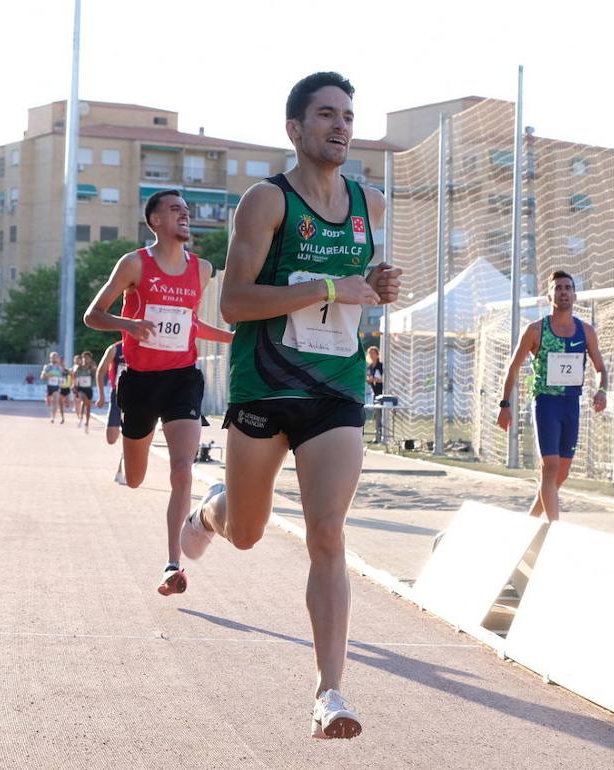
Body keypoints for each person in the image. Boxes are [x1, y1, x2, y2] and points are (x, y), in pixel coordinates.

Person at [177, 73, 402, 739]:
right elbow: (235, 303)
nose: (340, 126)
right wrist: (331, 284)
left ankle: (329, 691)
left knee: (326, 532)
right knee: (246, 531)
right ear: (295, 130)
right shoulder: (265, 202)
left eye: (348, 116)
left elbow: (361, 287)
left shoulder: (372, 204)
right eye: (326, 115)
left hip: (335, 388)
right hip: (266, 386)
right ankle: (211, 513)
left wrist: (374, 287)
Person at [83, 188, 234, 597]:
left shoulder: (201, 269)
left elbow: (191, 325)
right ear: (156, 221)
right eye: (175, 210)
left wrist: (234, 338)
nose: (184, 214)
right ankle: (132, 448)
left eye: (186, 210)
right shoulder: (134, 263)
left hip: (182, 377)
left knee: (183, 469)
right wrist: (129, 325)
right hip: (141, 383)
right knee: (134, 479)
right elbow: (92, 315)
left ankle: (173, 564)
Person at [496, 270, 608, 522]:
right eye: (558, 288)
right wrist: (504, 404)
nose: (564, 292)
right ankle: (555, 528)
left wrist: (602, 390)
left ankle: (528, 522)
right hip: (545, 403)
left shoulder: (586, 331)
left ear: (575, 295)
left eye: (568, 287)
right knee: (550, 469)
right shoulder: (536, 330)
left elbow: (601, 369)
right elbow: (513, 367)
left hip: (571, 405)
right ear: (549, 295)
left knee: (561, 474)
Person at [94, 341, 127, 484]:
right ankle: (124, 454)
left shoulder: (146, 348)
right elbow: (100, 371)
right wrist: (101, 395)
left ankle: (123, 467)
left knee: (130, 435)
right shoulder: (114, 349)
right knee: (111, 438)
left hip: (138, 397)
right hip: (117, 395)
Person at [40, 352, 67, 424]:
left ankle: (53, 417)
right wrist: (48, 375)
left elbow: (62, 378)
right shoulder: (47, 367)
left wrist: (61, 381)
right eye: (52, 357)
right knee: (49, 403)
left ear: (57, 358)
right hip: (49, 386)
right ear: (50, 358)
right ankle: (47, 399)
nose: (54, 359)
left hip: (56, 386)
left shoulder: (60, 368)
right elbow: (42, 377)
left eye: (55, 357)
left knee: (55, 401)